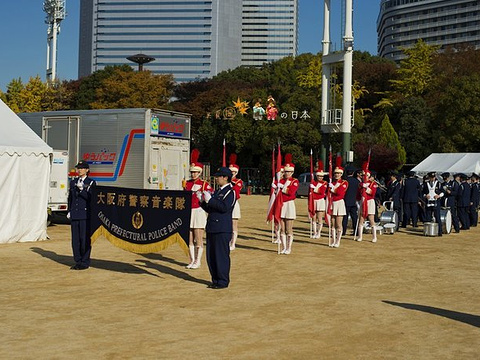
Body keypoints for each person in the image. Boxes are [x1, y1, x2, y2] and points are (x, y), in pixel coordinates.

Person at [199, 167, 236, 289]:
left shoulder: (230, 192)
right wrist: (202, 202)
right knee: (211, 256)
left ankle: (222, 281)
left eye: (219, 176)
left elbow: (224, 207)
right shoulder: (218, 191)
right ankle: (215, 279)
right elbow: (211, 209)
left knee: (221, 256)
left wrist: (211, 200)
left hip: (222, 228)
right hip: (212, 226)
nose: (217, 178)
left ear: (226, 178)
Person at [183, 149, 212, 269]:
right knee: (189, 238)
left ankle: (198, 260)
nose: (193, 174)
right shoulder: (186, 184)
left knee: (198, 236)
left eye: (196, 172)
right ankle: (191, 259)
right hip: (189, 211)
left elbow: (209, 198)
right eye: (192, 172)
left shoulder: (204, 184)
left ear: (199, 173)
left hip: (199, 211)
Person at [67, 160, 96, 270]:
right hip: (75, 214)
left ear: (87, 170)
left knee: (84, 240)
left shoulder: (91, 182)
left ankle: (84, 261)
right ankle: (77, 261)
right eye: (78, 168)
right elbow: (71, 198)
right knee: (75, 241)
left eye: (82, 168)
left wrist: (82, 190)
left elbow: (91, 199)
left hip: (85, 215)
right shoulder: (73, 182)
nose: (79, 170)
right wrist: (69, 210)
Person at [278, 155, 299, 254]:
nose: (287, 173)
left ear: (292, 172)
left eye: (289, 172)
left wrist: (282, 188)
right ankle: (283, 247)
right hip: (281, 204)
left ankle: (289, 247)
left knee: (288, 228)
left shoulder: (295, 181)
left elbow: (291, 192)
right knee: (282, 228)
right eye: (285, 171)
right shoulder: (280, 181)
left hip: (289, 204)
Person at [355, 171, 379, 243]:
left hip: (370, 202)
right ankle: (360, 236)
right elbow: (358, 194)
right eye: (362, 175)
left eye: (365, 175)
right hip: (362, 201)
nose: (363, 177)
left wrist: (367, 188)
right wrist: (357, 202)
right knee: (361, 219)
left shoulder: (373, 183)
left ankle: (374, 237)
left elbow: (373, 193)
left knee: (371, 219)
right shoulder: (360, 184)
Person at [328, 164, 348, 248]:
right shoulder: (332, 183)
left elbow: (340, 192)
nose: (337, 175)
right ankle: (333, 240)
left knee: (339, 224)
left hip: (339, 203)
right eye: (335, 173)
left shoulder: (344, 182)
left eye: (339, 173)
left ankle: (338, 241)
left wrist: (332, 188)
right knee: (332, 224)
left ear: (341, 174)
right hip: (333, 203)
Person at [422, 171, 444, 236]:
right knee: (428, 217)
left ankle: (439, 232)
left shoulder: (439, 184)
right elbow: (422, 192)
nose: (432, 179)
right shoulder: (426, 184)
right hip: (428, 202)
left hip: (436, 202)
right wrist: (425, 196)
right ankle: (428, 231)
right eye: (431, 177)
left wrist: (439, 196)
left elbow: (443, 192)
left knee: (437, 217)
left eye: (433, 177)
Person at [228, 154, 243, 250]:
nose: (232, 174)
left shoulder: (239, 181)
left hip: (234, 204)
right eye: (230, 172)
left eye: (233, 172)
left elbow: (236, 192)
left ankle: (233, 243)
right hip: (226, 204)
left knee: (234, 224)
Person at [310, 161, 327, 238]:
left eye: (321, 176)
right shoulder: (313, 182)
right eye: (319, 176)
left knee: (319, 218)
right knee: (313, 218)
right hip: (314, 201)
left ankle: (319, 233)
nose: (320, 178)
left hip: (320, 201)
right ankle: (314, 232)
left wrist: (315, 189)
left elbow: (322, 192)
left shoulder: (324, 183)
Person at [342, 169, 361, 235]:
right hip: (354, 201)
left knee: (345, 217)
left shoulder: (344, 181)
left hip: (346, 201)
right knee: (354, 217)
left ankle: (343, 231)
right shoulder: (357, 181)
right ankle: (356, 231)